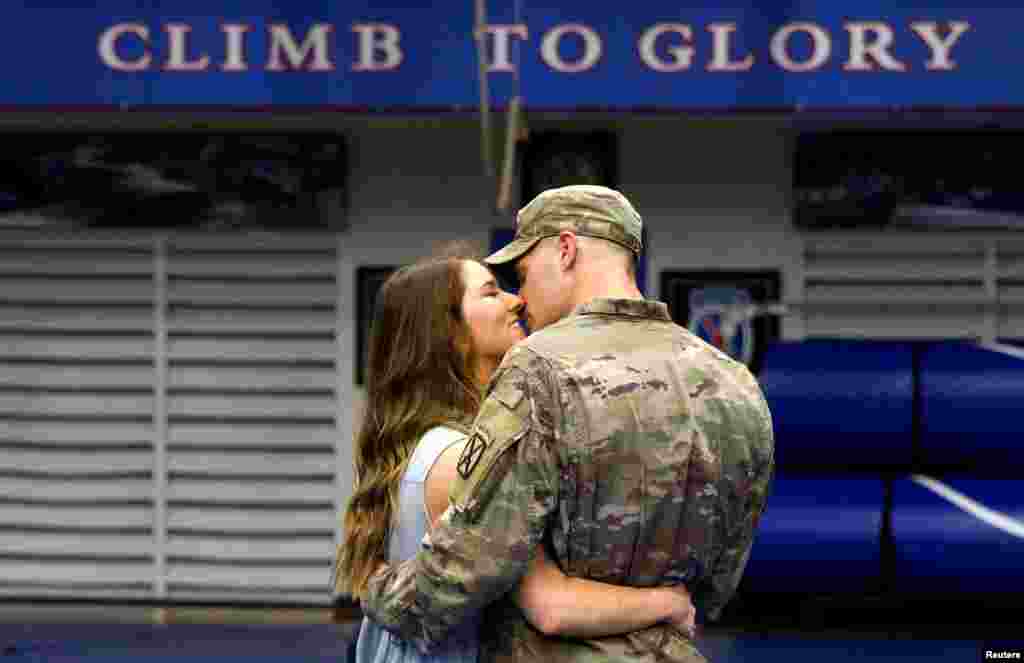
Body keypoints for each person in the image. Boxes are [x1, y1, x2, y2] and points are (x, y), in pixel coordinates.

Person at [359, 185, 775, 663]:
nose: (522, 296)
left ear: (565, 249)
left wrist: (377, 589)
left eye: (522, 272)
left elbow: (473, 563)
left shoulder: (537, 369)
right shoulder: (737, 384)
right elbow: (720, 580)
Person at [335, 247, 698, 663]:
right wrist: (666, 602)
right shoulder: (458, 459)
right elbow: (550, 606)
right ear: (450, 332)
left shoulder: (437, 445)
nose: (516, 300)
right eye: (491, 293)